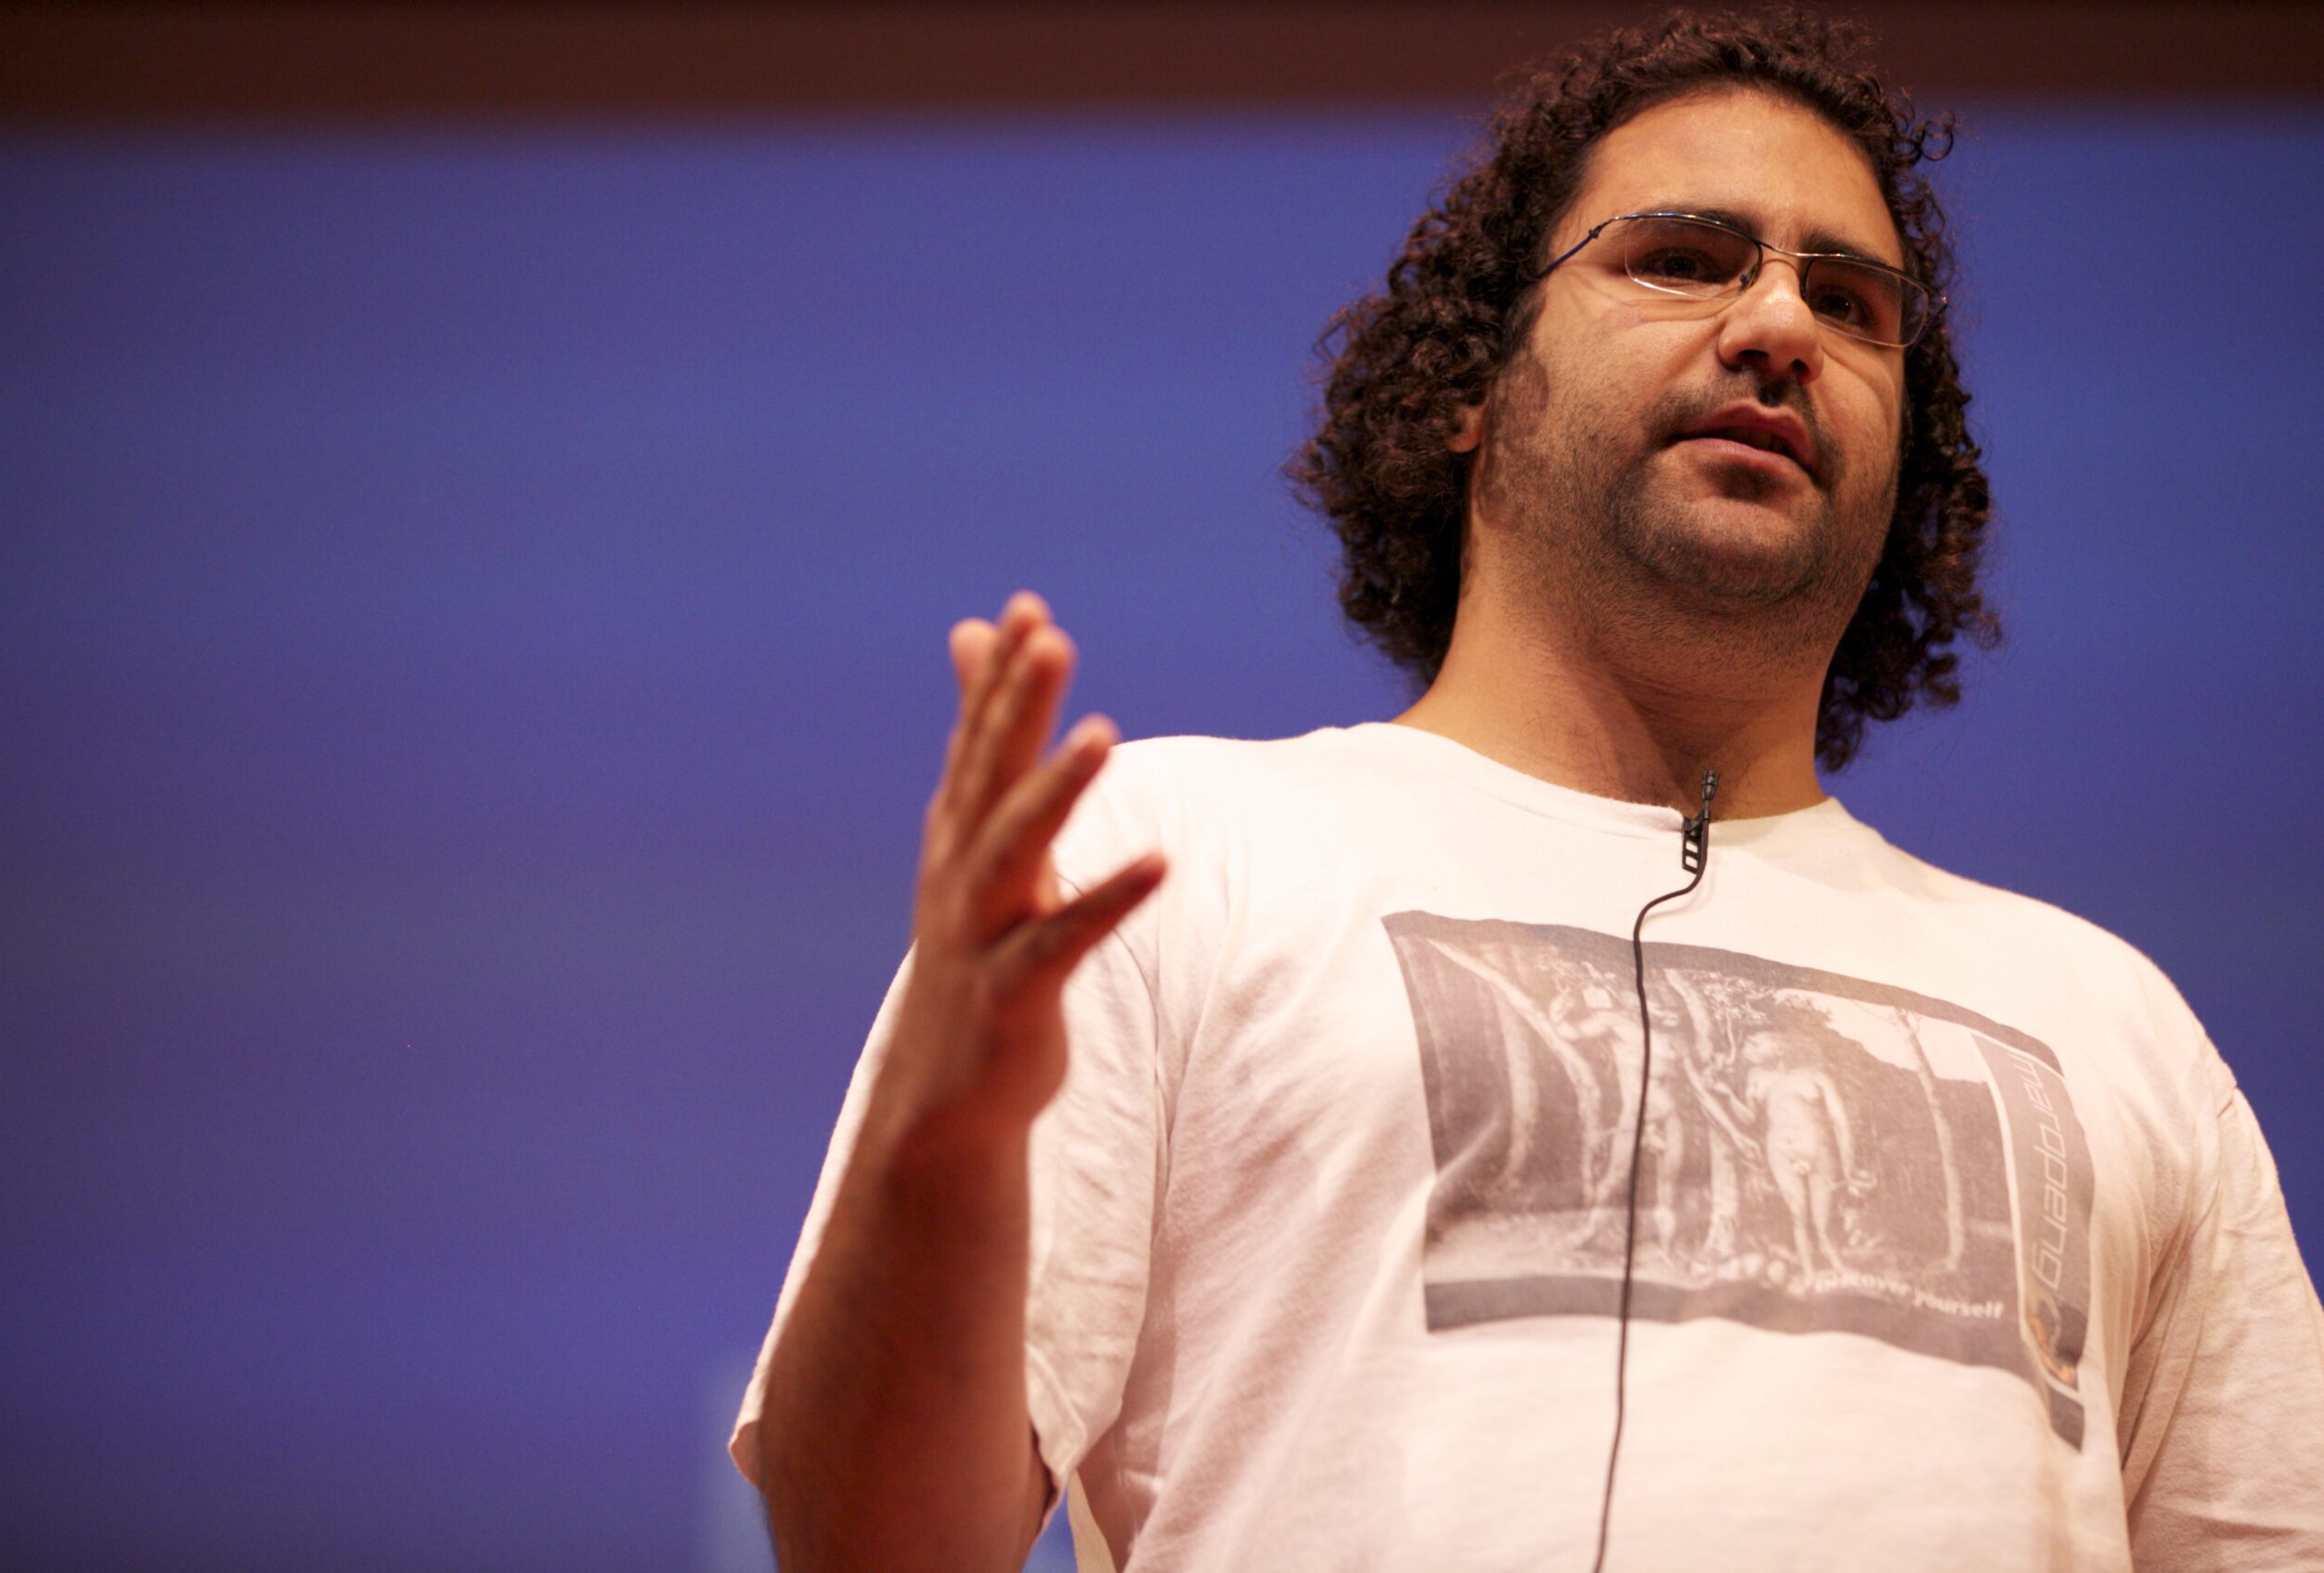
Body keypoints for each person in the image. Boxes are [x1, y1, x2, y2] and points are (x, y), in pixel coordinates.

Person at [733, 9, 2324, 1571]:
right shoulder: (1170, 859)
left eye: (1849, 300)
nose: (1779, 326)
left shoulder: (2114, 1025)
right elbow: (864, 1549)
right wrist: (942, 1140)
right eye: (1685, 258)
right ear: (1466, 388)